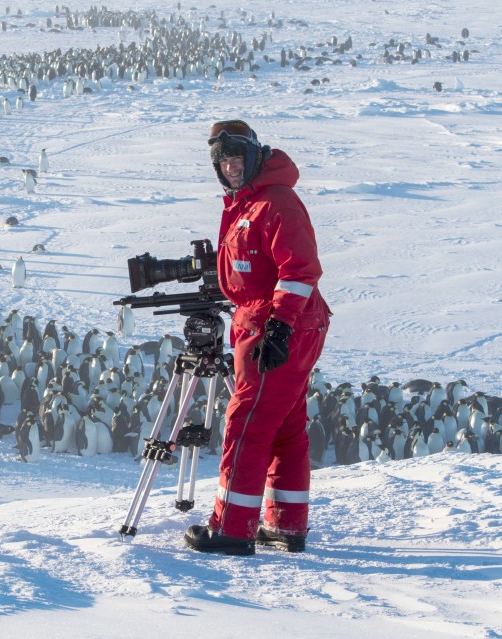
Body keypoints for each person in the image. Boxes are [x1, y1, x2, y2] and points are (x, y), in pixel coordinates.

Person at [184, 119, 330, 556]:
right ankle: (285, 524)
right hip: (268, 323)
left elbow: (300, 269)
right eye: (222, 161)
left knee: (246, 426)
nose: (230, 167)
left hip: (278, 327)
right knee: (284, 429)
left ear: (254, 156)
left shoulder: (275, 202)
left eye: (236, 158)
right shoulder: (247, 202)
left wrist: (280, 326)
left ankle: (231, 528)